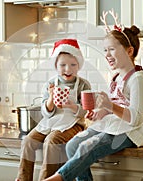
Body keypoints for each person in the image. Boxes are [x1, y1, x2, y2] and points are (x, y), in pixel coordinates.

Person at [43, 10, 143, 181]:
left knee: (87, 147)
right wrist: (101, 112)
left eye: (111, 49)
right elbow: (117, 108)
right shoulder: (117, 77)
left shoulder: (137, 79)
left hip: (133, 130)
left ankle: (59, 178)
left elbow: (136, 119)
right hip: (116, 124)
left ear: (129, 51)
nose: (107, 55)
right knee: (73, 145)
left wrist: (109, 106)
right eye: (105, 50)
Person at [15, 39, 91, 181]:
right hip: (51, 122)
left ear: (78, 66)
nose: (67, 69)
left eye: (73, 65)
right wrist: (51, 98)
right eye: (63, 65)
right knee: (28, 141)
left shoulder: (83, 85)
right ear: (56, 65)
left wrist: (71, 106)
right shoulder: (50, 83)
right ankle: (22, 178)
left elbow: (86, 112)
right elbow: (46, 112)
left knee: (51, 141)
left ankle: (46, 179)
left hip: (74, 125)